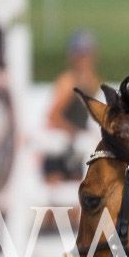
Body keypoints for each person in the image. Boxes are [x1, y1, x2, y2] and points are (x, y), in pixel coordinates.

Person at [43, 29, 101, 183]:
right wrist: (75, 130)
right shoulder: (68, 82)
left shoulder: (92, 82)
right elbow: (53, 117)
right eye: (81, 54)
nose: (84, 59)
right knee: (55, 193)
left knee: (76, 191)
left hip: (75, 148)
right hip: (60, 147)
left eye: (86, 54)